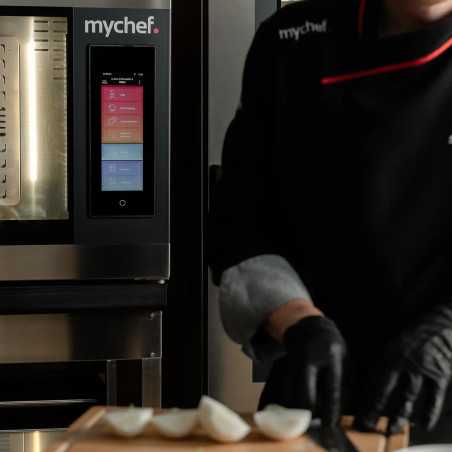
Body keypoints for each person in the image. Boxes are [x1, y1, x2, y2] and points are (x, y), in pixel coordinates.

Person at [209, 0, 452, 439]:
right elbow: (241, 225)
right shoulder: (292, 42)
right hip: (316, 391)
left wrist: (448, 334)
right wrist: (300, 322)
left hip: (442, 396)